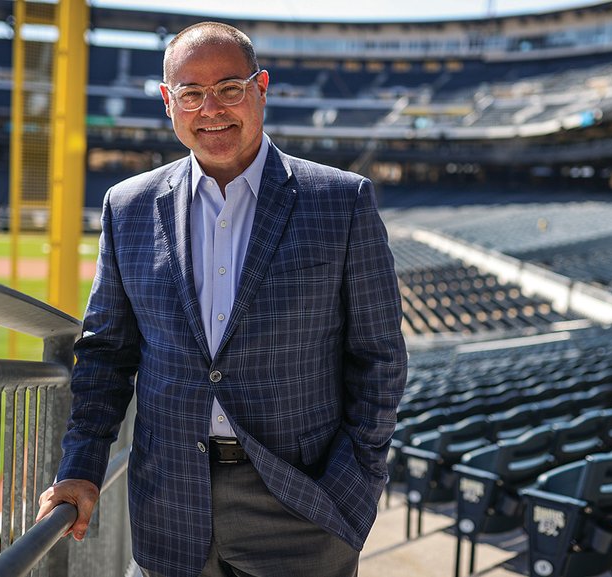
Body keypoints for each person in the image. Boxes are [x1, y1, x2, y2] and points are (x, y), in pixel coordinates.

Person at [36, 21, 408, 577]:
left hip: (303, 502)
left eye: (230, 88)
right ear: (168, 103)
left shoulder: (340, 201)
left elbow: (379, 354)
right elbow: (107, 352)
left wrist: (357, 482)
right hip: (170, 503)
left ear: (261, 87)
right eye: (191, 94)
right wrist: (82, 466)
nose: (211, 109)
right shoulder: (128, 206)